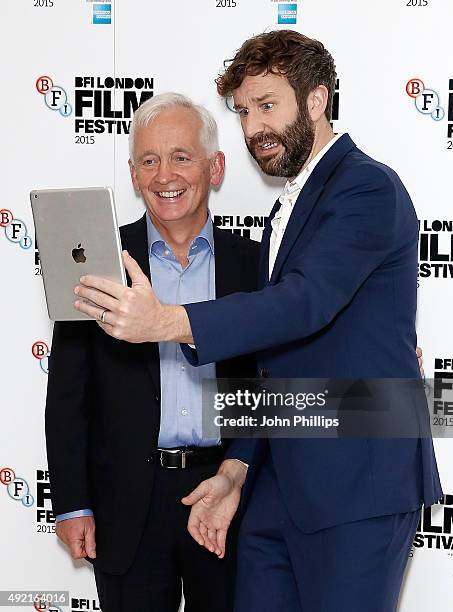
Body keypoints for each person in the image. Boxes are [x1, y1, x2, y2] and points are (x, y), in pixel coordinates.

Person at [74, 32, 442, 612]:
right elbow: (277, 358)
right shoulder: (287, 206)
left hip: (355, 481)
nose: (253, 129)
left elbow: (305, 303)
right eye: (244, 111)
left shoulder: (367, 186)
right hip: (276, 483)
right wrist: (236, 469)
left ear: (317, 100)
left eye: (268, 105)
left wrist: (168, 320)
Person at [45, 93, 259, 612]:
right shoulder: (97, 263)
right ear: (134, 175)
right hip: (126, 509)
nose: (166, 174)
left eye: (182, 157)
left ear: (216, 167)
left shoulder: (256, 265)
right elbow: (68, 395)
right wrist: (71, 502)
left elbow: (268, 383)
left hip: (225, 497)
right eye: (149, 160)